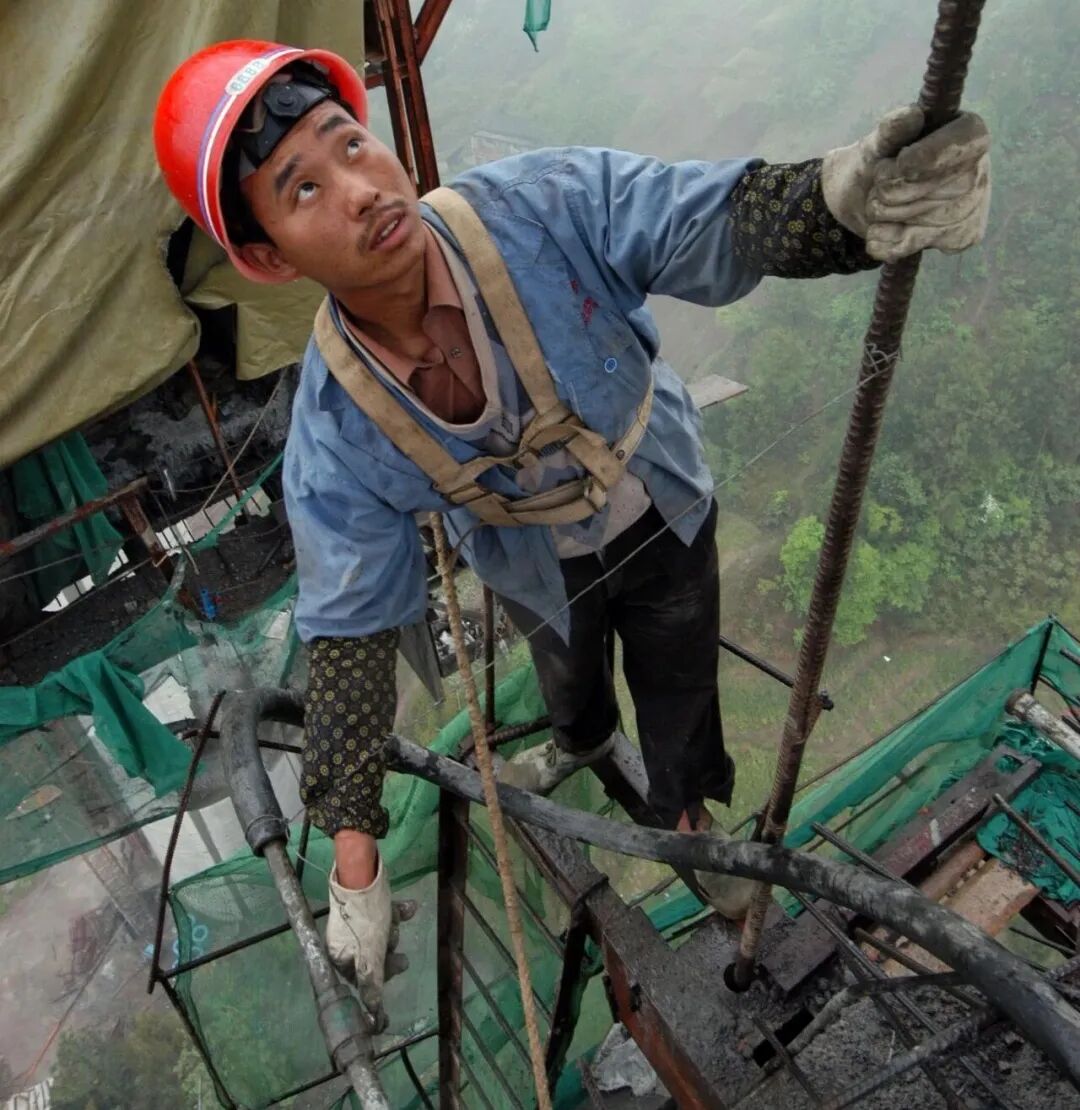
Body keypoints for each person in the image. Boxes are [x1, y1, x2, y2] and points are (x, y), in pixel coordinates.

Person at [154, 40, 991, 1030]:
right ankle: (584, 742)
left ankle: (688, 820)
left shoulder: (537, 208)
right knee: (568, 676)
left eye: (350, 144)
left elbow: (702, 217)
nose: (361, 189)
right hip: (531, 564)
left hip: (659, 507)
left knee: (679, 679)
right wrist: (355, 869)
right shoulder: (338, 432)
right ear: (266, 256)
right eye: (303, 189)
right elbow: (349, 639)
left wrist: (839, 206)